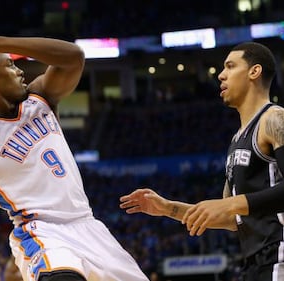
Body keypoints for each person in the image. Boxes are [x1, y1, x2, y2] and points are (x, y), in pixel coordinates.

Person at [0, 21, 150, 281]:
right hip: (43, 232)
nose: (20, 72)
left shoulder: (40, 97)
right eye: (10, 65)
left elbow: (74, 57)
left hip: (91, 226)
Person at [120, 41, 284, 281]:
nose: (221, 74)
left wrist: (231, 204)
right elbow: (231, 218)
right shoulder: (237, 139)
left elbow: (232, 207)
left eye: (230, 66)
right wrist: (168, 208)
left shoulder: (275, 119)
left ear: (254, 71)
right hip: (254, 261)